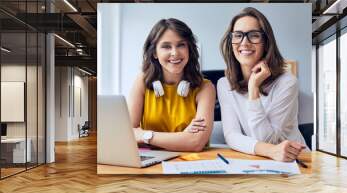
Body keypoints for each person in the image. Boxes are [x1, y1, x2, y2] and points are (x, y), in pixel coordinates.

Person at [218, 7, 306, 162]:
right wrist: (270, 151)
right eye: (238, 35)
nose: (244, 43)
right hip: (257, 160)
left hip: (294, 161)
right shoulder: (224, 84)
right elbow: (232, 136)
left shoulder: (287, 82)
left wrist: (253, 89)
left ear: (266, 42)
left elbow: (267, 139)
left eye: (253, 35)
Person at [128, 18, 215, 152]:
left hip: (192, 162)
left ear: (189, 50)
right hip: (152, 161)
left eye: (181, 45)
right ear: (155, 53)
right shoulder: (142, 82)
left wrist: (145, 135)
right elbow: (127, 135)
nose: (175, 53)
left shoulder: (205, 87)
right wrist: (182, 137)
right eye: (166, 46)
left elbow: (195, 142)